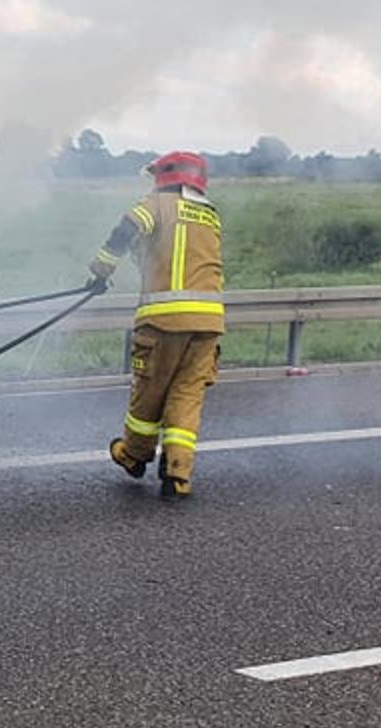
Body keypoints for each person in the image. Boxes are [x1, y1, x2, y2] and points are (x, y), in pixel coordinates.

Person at [89, 151, 225, 501]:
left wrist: (102, 267)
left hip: (164, 320)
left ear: (163, 176)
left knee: (150, 391)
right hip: (208, 323)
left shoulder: (158, 203)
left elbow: (127, 228)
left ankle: (134, 455)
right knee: (187, 394)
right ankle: (178, 473)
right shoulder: (209, 213)